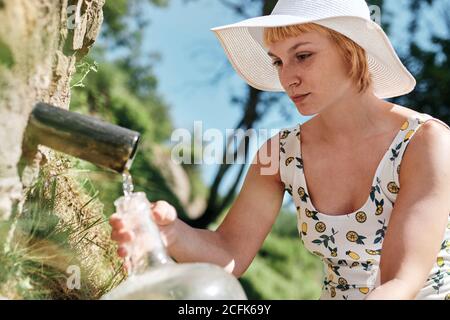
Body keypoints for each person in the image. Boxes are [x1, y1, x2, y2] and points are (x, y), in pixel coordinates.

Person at [109, 0, 450, 300]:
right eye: (277, 62)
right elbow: (230, 253)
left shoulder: (424, 142)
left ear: (351, 50)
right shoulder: (282, 153)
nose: (288, 78)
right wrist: (170, 233)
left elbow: (401, 282)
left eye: (303, 56)